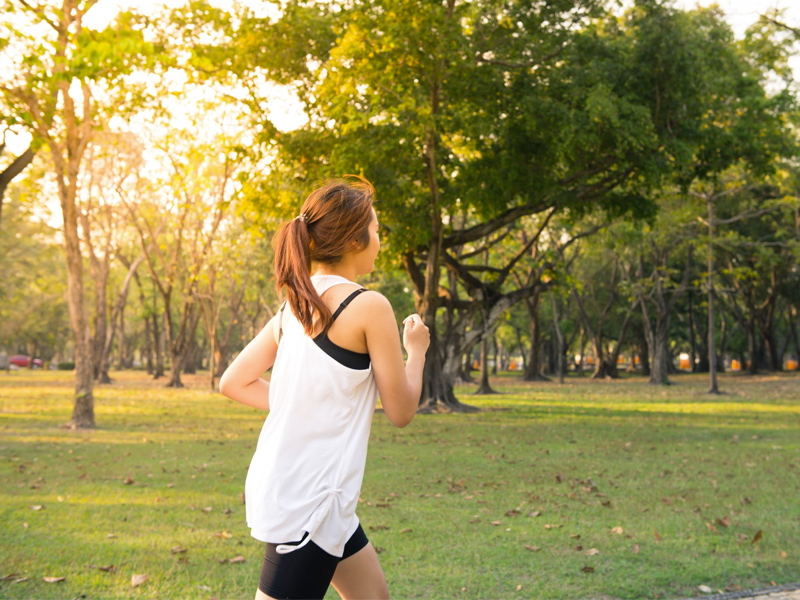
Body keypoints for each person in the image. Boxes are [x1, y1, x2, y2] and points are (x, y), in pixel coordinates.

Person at [219, 177, 430, 600]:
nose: (379, 241)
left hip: (319, 497)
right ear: (354, 238)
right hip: (309, 504)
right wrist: (417, 350)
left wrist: (300, 405)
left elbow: (233, 382)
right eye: (375, 230)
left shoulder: (293, 305)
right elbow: (402, 410)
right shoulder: (369, 306)